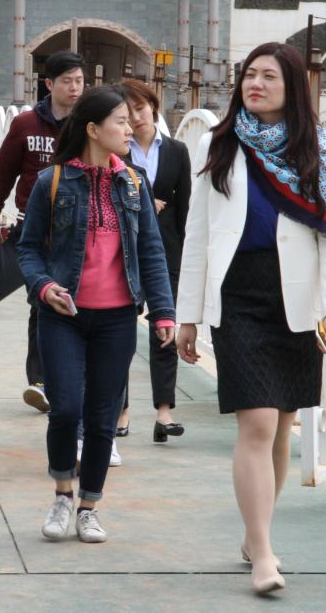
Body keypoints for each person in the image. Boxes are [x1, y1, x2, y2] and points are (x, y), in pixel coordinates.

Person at [175, 42, 326, 595]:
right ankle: (264, 554)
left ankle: (257, 534)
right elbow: (198, 233)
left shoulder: (317, 147)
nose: (256, 84)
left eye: (269, 76)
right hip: (238, 296)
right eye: (250, 74)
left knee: (280, 427)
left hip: (295, 301)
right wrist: (186, 314)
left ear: (292, 85)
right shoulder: (218, 141)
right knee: (255, 423)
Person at [16, 85, 175, 544]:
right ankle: (62, 494)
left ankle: (89, 506)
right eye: (121, 121)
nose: (131, 128)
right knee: (66, 409)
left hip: (118, 319)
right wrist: (44, 287)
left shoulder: (133, 183)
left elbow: (151, 251)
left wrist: (163, 311)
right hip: (62, 316)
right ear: (92, 129)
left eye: (131, 121)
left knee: (103, 417)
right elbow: (28, 250)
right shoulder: (52, 182)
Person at [0, 50, 86, 412]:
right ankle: (41, 381)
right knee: (41, 301)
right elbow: (4, 172)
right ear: (49, 84)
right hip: (34, 228)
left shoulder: (90, 124)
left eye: (80, 81)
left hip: (80, 228)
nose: (75, 88)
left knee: (79, 301)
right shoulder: (26, 124)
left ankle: (70, 378)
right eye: (67, 81)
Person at [115, 79, 191, 443]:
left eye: (141, 108)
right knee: (120, 334)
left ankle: (164, 411)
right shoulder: (117, 150)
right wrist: (147, 196)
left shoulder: (177, 151)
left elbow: (184, 207)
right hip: (124, 251)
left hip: (167, 252)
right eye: (127, 112)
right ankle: (121, 410)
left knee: (165, 330)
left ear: (153, 107)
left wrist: (185, 255)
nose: (135, 118)